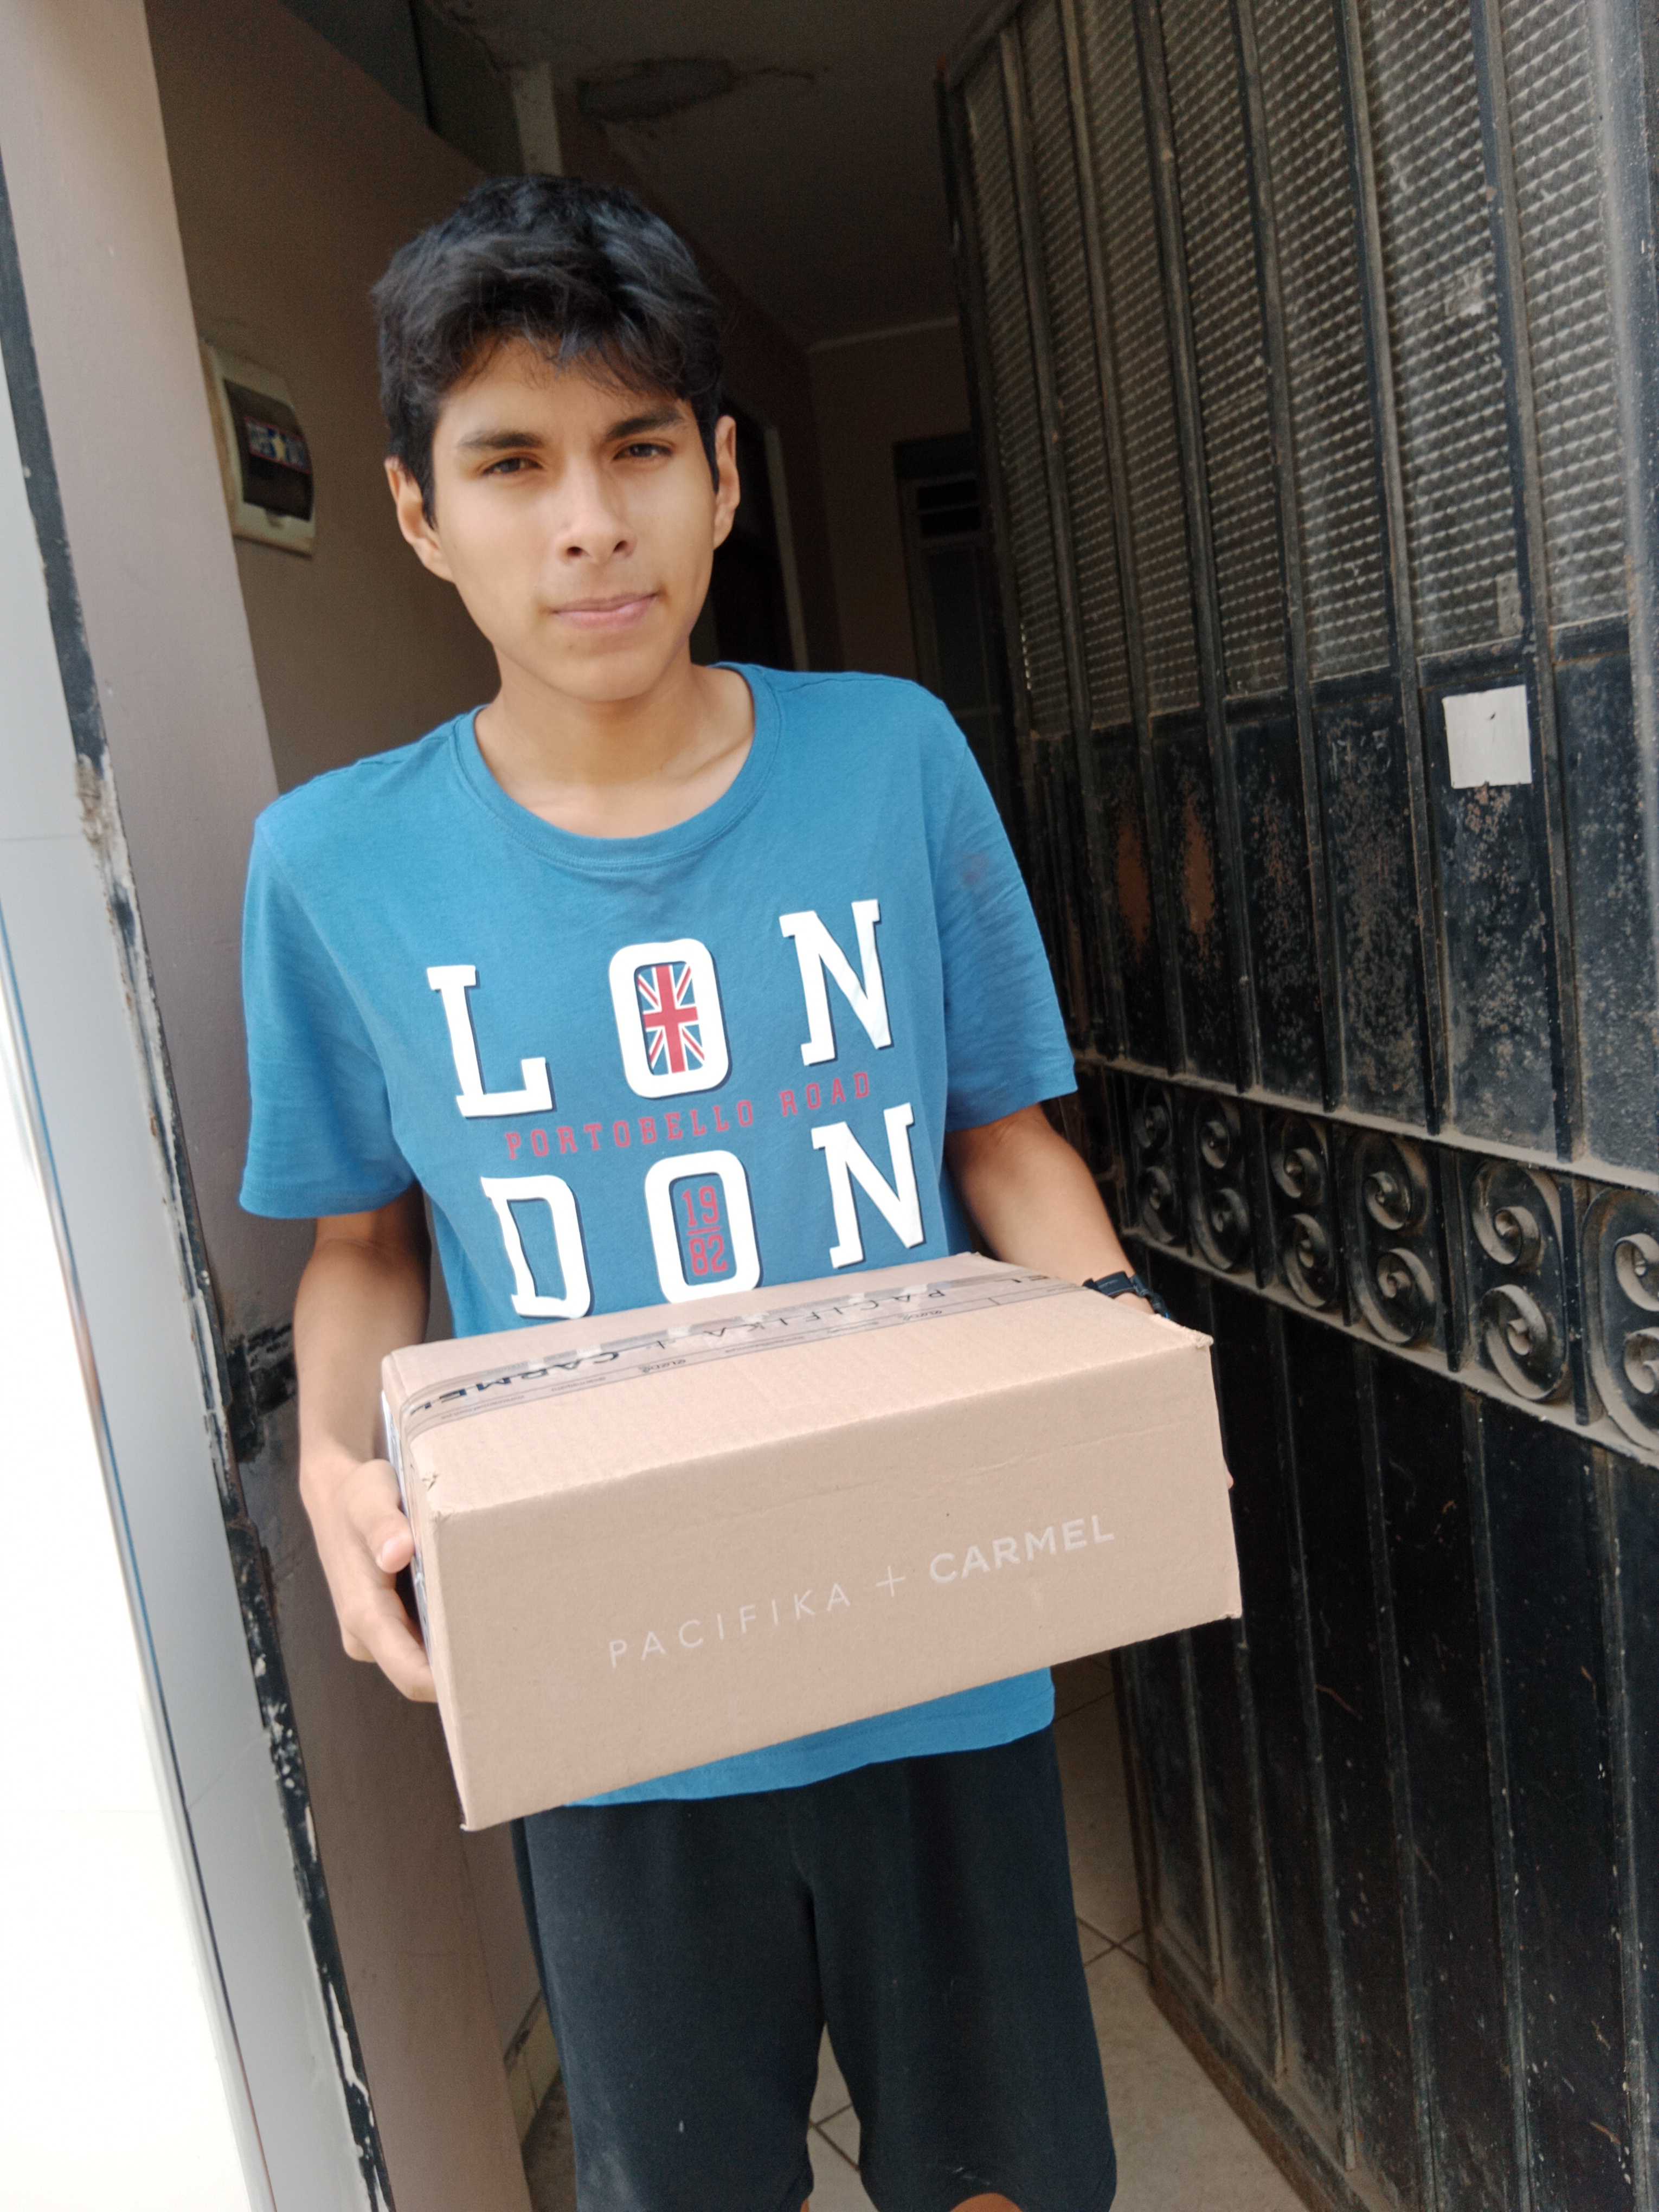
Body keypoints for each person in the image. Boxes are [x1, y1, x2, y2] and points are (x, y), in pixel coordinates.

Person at [240, 174, 1142, 2212]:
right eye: (512, 462)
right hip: (611, 1683)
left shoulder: (892, 757)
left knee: (1003, 2176)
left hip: (934, 1632)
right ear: (416, 513)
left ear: (723, 480)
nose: (588, 521)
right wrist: (337, 1475)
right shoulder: (332, 863)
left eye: (638, 448)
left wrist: (1120, 1380)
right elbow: (364, 1241)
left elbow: (1002, 1137)